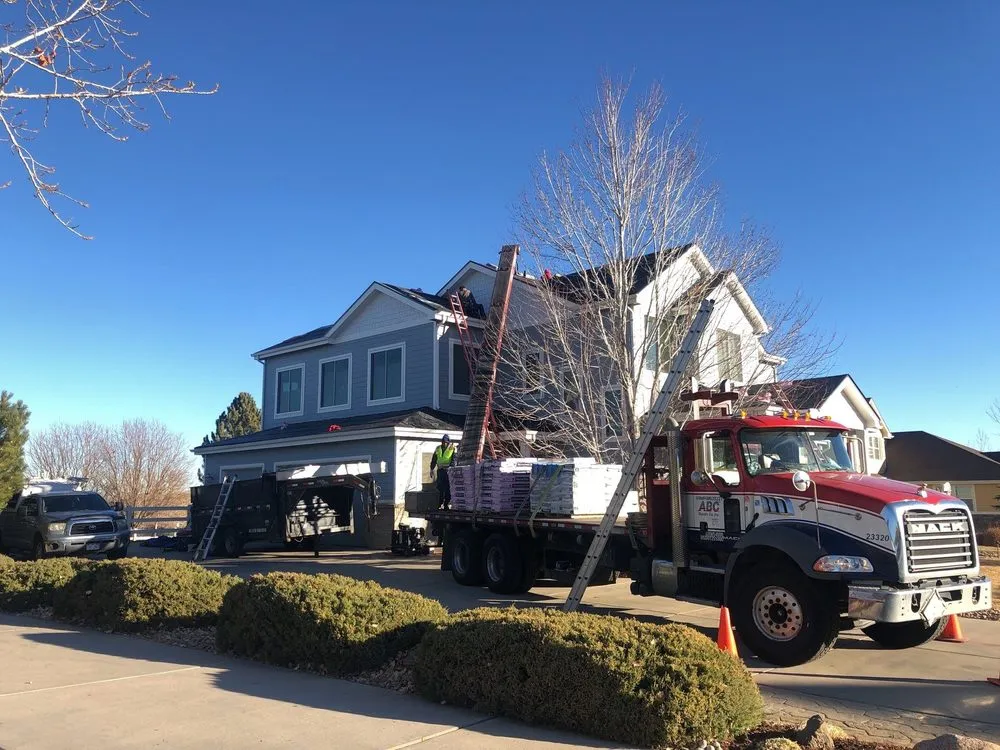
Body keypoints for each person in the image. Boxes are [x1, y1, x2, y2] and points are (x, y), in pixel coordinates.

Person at [430, 434, 456, 510]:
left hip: (448, 470)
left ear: (448, 442)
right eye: (443, 442)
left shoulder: (452, 448)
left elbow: (454, 459)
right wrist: (431, 469)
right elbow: (434, 459)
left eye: (446, 442)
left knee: (448, 488)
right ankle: (440, 503)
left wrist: (451, 468)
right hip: (440, 470)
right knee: (440, 487)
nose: (444, 443)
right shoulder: (438, 448)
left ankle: (446, 504)